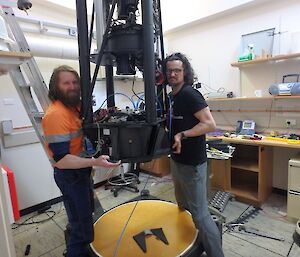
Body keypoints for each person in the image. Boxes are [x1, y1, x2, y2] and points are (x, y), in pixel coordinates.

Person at [42, 65, 120, 257]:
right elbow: (61, 161)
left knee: (84, 217)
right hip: (69, 175)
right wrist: (95, 162)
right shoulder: (55, 115)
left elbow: (82, 127)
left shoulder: (73, 106)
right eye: (66, 83)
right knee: (81, 230)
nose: (72, 87)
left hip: (80, 173)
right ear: (55, 87)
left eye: (75, 82)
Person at [163, 53, 224, 257]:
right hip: (177, 161)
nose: (172, 74)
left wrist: (182, 134)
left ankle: (217, 254)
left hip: (193, 165)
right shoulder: (172, 96)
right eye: (169, 70)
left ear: (185, 72)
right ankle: (189, 244)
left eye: (177, 70)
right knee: (183, 207)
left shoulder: (190, 94)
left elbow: (209, 124)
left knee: (200, 215)